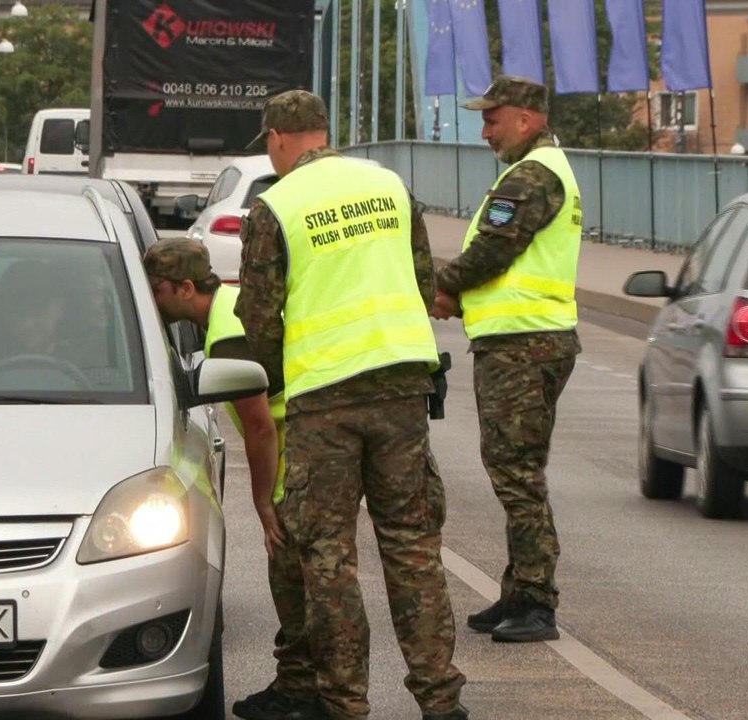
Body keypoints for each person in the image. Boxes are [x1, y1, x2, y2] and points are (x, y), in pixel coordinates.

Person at [235, 89, 467, 720]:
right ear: (323, 131)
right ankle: (440, 700)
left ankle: (346, 704)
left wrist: (280, 374)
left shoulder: (276, 206)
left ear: (278, 139)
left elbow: (259, 319)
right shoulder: (388, 185)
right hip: (402, 389)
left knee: (329, 558)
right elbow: (424, 282)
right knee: (413, 547)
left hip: (324, 401)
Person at [430, 76, 581, 644]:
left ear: (526, 118)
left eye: (492, 119)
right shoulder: (540, 169)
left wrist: (445, 287)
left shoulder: (532, 176)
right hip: (528, 341)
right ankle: (519, 592)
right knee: (517, 467)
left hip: (524, 344)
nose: (485, 131)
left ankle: (536, 600)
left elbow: (492, 250)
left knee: (516, 473)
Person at [143, 239, 310, 720]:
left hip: (297, 452)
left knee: (291, 574)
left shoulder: (226, 337)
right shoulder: (233, 304)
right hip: (304, 441)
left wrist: (263, 502)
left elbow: (260, 427)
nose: (153, 301)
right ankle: (302, 683)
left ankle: (303, 690)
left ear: (186, 288)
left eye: (158, 291)